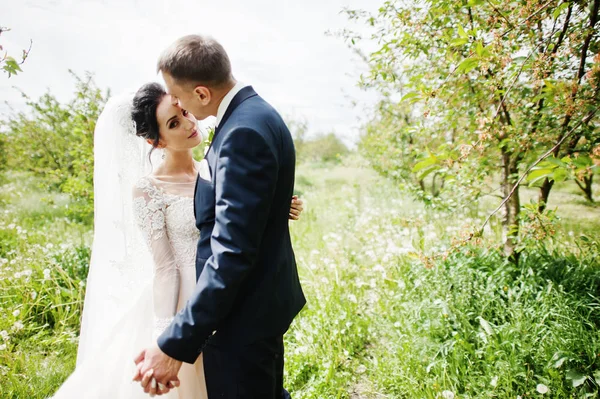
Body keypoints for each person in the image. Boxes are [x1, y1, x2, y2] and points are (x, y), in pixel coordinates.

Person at [51, 80, 303, 398]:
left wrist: (277, 206)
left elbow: (238, 227)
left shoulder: (215, 166)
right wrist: (166, 334)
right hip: (185, 302)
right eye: (173, 123)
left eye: (183, 111)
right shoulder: (148, 190)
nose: (188, 123)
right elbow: (165, 267)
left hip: (225, 294)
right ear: (156, 141)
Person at [133, 35, 306, 399]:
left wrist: (174, 344)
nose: (177, 104)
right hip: (255, 307)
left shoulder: (241, 132)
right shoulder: (255, 114)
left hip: (241, 317)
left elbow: (232, 251)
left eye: (177, 96)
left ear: (201, 93)